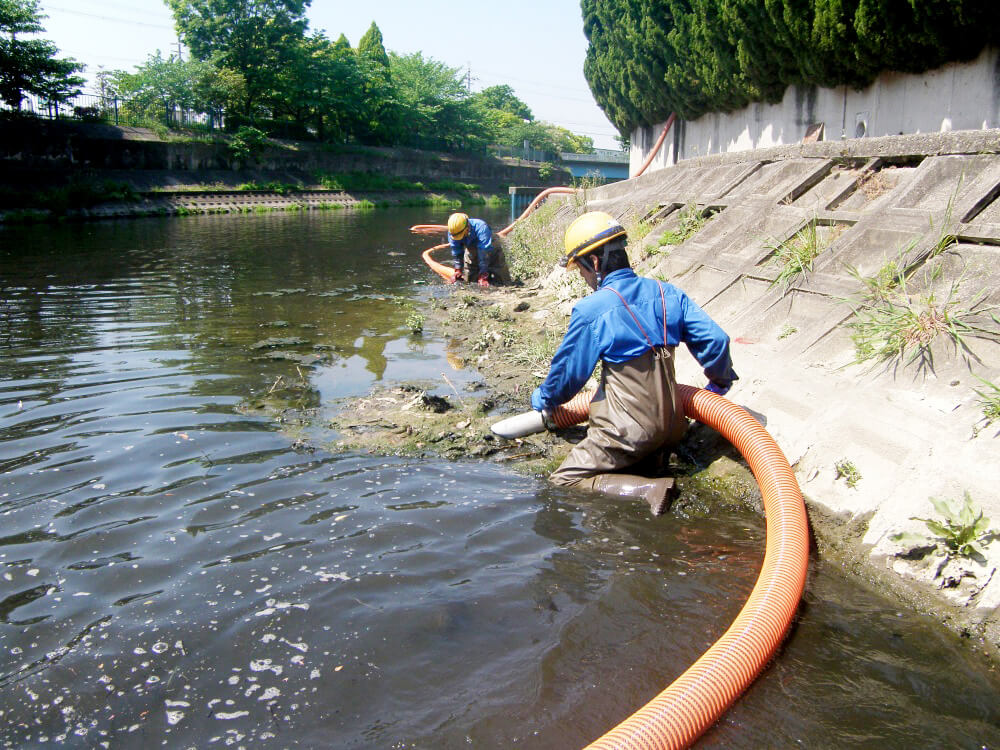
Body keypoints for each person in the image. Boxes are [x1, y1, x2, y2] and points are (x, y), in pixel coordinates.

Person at [530, 211, 738, 515]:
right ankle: (649, 466)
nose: (585, 279)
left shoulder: (592, 310)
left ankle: (648, 489)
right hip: (672, 428)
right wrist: (718, 385)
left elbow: (566, 380)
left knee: (563, 481)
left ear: (595, 263)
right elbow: (717, 340)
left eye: (582, 271)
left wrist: (542, 398)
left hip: (626, 434)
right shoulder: (667, 293)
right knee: (643, 453)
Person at [446, 212, 509, 287]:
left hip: (491, 251)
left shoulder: (481, 227)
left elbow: (484, 253)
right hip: (472, 252)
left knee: (504, 281)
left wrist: (483, 275)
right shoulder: (453, 232)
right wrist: (458, 269)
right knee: (470, 282)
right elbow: (457, 251)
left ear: (467, 227)